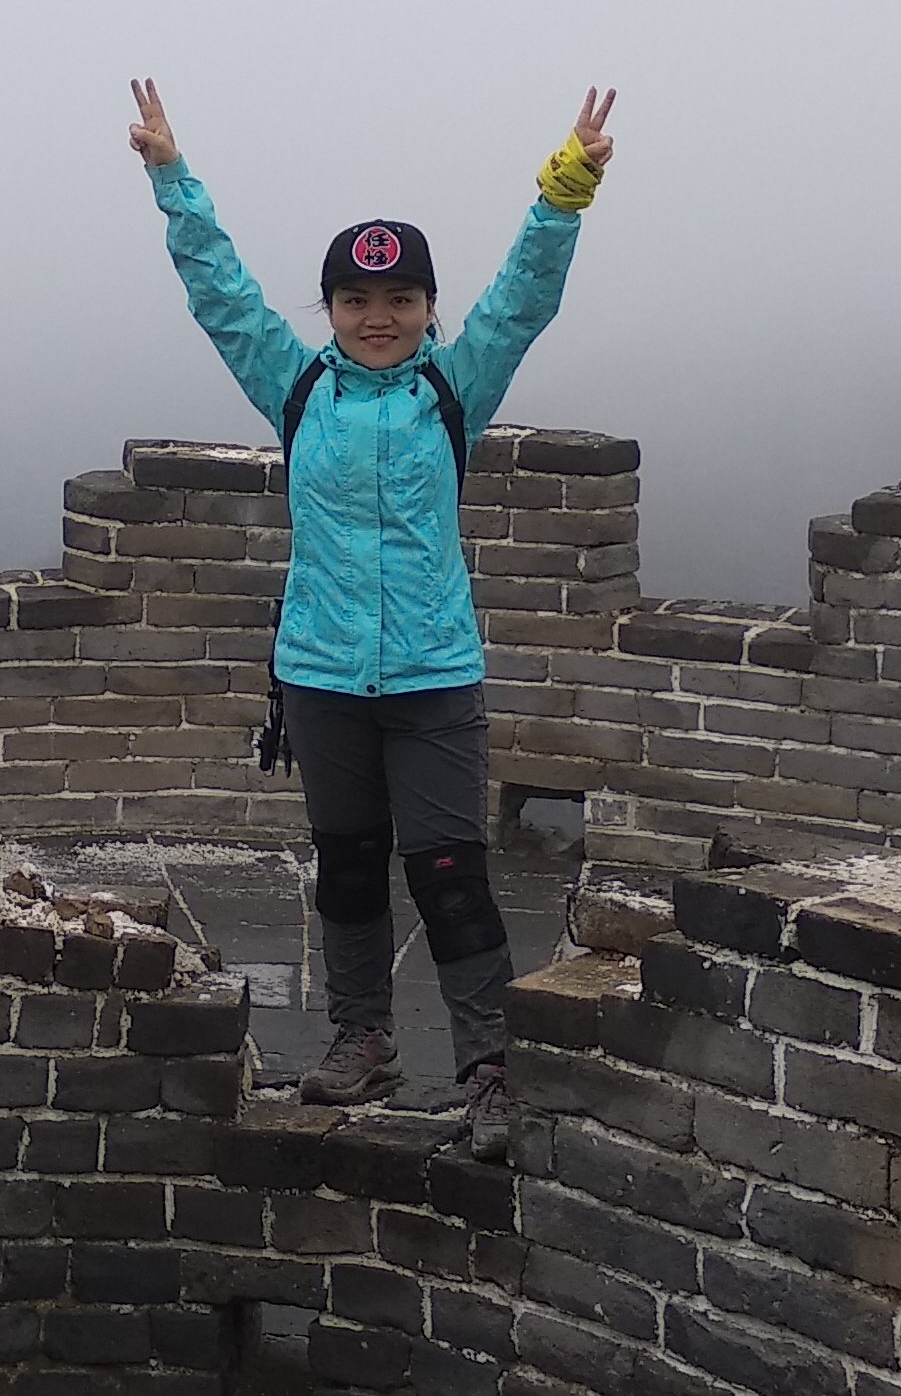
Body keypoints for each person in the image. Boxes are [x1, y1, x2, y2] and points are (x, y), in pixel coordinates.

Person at [123, 74, 618, 1161]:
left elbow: (524, 296)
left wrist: (565, 187)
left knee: (450, 877)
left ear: (429, 308)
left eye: (399, 300)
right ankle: (363, 1038)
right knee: (347, 869)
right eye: (354, 300)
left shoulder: (456, 386)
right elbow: (222, 295)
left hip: (434, 674)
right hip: (320, 673)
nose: (377, 318)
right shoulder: (296, 388)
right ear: (331, 311)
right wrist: (172, 177)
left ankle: (488, 1068)